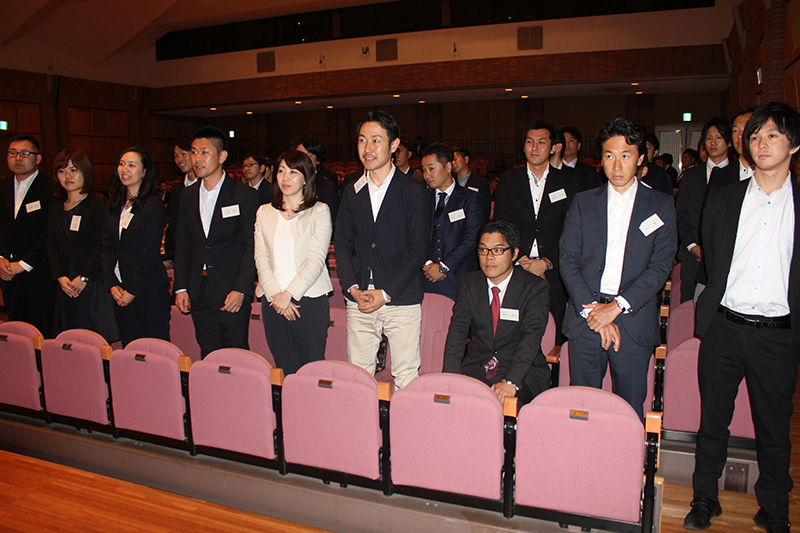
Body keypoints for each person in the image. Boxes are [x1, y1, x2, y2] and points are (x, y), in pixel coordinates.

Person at [683, 102, 800, 533]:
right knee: (712, 421)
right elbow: (714, 260)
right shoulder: (725, 198)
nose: (761, 144)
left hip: (777, 335)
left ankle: (775, 508)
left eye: (772, 135)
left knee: (773, 428)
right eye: (754, 136)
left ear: (794, 144)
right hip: (725, 328)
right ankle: (704, 499)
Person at [559, 118, 677, 420]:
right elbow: (568, 259)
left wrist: (616, 307)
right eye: (609, 155)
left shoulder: (661, 205)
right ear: (601, 159)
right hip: (586, 318)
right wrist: (595, 312)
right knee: (582, 408)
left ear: (640, 158)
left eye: (626, 155)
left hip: (633, 320)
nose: (617, 164)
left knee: (628, 409)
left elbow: (660, 266)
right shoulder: (583, 203)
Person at [334, 110, 430, 390]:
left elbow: (418, 250)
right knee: (358, 376)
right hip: (360, 297)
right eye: (362, 140)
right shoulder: (352, 190)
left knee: (405, 376)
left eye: (376, 140)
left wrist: (385, 292)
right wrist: (352, 288)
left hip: (400, 297)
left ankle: (403, 421)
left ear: (394, 145)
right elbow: (342, 244)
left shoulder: (413, 191)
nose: (368, 148)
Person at [494, 120, 584, 351]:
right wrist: (522, 258)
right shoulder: (509, 181)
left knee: (553, 334)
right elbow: (502, 224)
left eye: (541, 142)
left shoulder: (568, 182)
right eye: (530, 142)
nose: (535, 148)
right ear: (523, 147)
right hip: (516, 267)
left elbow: (571, 228)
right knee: (512, 333)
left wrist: (546, 262)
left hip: (554, 270)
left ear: (553, 148)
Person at [173, 126, 259, 359]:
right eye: (194, 152)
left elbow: (251, 247)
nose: (197, 159)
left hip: (231, 289)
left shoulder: (243, 194)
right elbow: (182, 243)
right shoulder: (187, 195)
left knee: (236, 353)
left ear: (222, 156)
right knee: (208, 352)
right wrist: (181, 287)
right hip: (198, 289)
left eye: (204, 152)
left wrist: (241, 289)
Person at [443, 220, 551, 404]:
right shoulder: (469, 283)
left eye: (498, 250)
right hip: (478, 367)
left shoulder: (535, 287)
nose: (489, 257)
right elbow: (457, 331)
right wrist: (450, 377)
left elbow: (531, 338)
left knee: (507, 407)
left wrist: (511, 382)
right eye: (483, 250)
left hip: (521, 371)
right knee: (458, 405)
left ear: (514, 253)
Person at [254, 150, 333, 375]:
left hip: (309, 300)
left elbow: (316, 260)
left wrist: (289, 295)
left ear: (306, 178)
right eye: (281, 171)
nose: (285, 178)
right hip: (273, 302)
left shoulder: (319, 211)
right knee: (284, 367)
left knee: (311, 369)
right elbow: (261, 258)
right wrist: (276, 296)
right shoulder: (264, 212)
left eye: (293, 172)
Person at [101, 147, 170, 346]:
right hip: (120, 289)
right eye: (121, 164)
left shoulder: (153, 205)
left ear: (144, 171)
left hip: (147, 290)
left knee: (154, 347)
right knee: (130, 347)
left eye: (131, 165)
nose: (124, 169)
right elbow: (106, 248)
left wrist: (132, 291)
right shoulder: (114, 205)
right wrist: (112, 284)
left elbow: (150, 253)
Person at [47, 149, 118, 340]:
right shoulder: (54, 209)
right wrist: (60, 276)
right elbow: (51, 245)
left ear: (85, 172)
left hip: (92, 280)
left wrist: (84, 277)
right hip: (65, 282)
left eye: (73, 170)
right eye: (61, 171)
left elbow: (102, 244)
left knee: (93, 338)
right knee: (68, 338)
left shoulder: (99, 206)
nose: (67, 176)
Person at [0, 134, 56, 337]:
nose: (18, 158)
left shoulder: (51, 187)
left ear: (38, 158)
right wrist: (1, 259)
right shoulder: (2, 187)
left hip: (39, 275)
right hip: (7, 273)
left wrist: (23, 264)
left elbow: (50, 232)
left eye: (25, 154)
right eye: (13, 153)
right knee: (16, 333)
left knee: (41, 334)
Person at [675, 117, 732, 303]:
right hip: (692, 255)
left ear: (729, 142)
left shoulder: (738, 176)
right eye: (709, 138)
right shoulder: (691, 175)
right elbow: (681, 214)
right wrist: (692, 246)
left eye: (718, 137)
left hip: (725, 258)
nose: (713, 142)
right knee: (688, 307)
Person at [421, 143, 482, 300]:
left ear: (448, 167)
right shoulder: (421, 199)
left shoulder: (469, 198)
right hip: (427, 276)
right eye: (424, 170)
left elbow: (471, 237)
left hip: (458, 276)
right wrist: (428, 264)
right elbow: (415, 234)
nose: (427, 175)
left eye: (431, 168)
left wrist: (443, 267)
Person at [163, 137, 198, 269]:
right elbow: (173, 225)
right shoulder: (177, 189)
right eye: (176, 156)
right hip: (184, 253)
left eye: (183, 154)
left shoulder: (207, 185)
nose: (179, 159)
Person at [291, 135, 339, 227]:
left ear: (318, 160)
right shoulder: (288, 184)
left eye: (309, 156)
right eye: (300, 155)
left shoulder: (327, 187)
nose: (304, 160)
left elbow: (330, 221)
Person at [452, 146, 491, 222]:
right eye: (451, 160)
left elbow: (485, 209)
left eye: (455, 159)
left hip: (475, 222)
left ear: (466, 159)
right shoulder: (450, 182)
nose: (453, 163)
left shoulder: (481, 182)